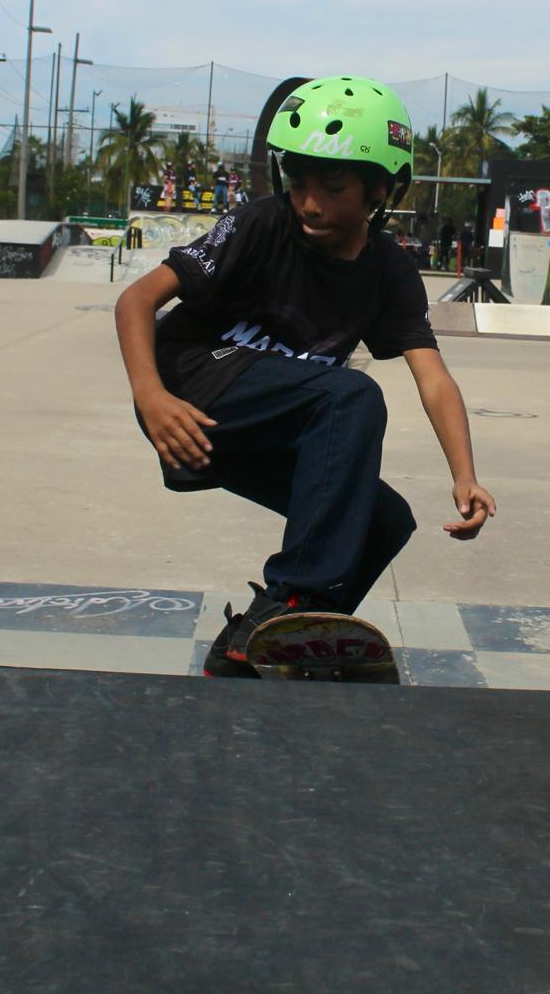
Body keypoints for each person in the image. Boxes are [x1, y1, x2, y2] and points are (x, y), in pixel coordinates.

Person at [115, 76, 496, 677]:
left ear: (380, 188)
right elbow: (136, 301)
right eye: (298, 185)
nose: (309, 203)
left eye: (332, 187)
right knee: (352, 398)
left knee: (383, 518)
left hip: (264, 422)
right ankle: (293, 596)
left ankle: (258, 642)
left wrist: (465, 475)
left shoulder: (389, 270)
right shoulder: (263, 224)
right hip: (192, 388)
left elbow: (434, 378)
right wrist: (151, 395)